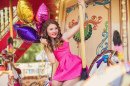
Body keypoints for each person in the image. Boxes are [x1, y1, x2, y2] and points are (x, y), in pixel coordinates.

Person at [40, 0, 85, 86]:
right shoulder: (48, 44)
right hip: (62, 68)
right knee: (54, 83)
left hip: (72, 65)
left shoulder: (64, 37)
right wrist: (47, 45)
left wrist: (83, 7)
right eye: (51, 29)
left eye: (55, 28)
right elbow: (53, 61)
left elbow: (79, 25)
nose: (54, 31)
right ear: (46, 32)